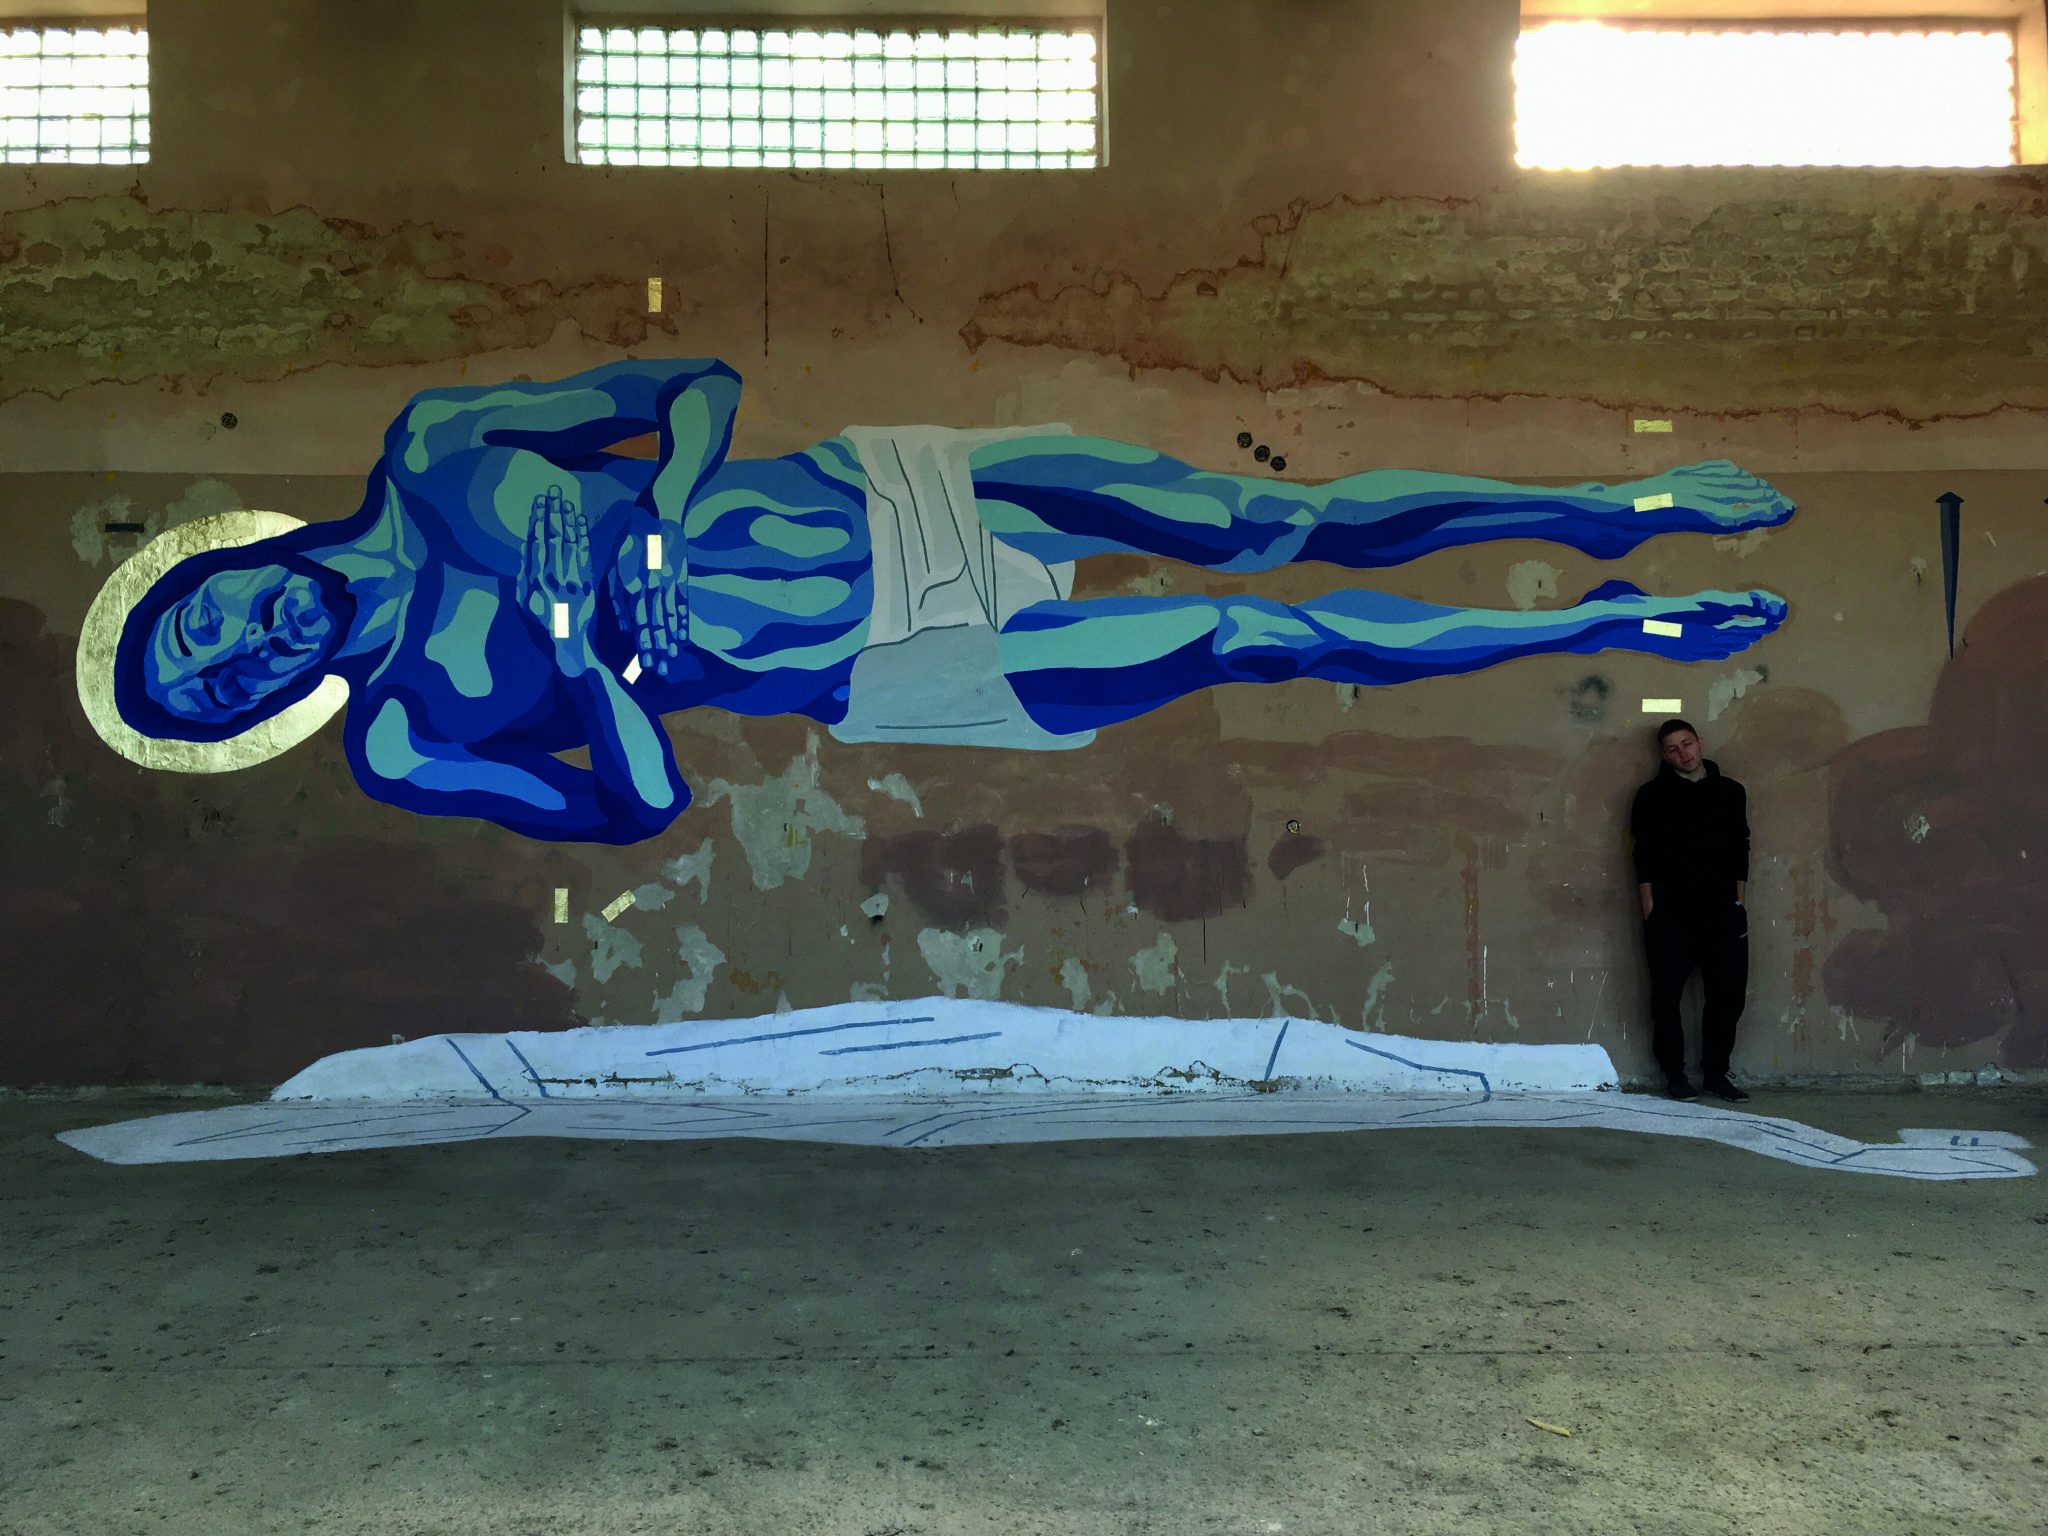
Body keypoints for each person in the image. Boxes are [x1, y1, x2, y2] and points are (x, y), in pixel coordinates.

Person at [106, 357, 1795, 844]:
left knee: (1263, 522)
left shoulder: (438, 449)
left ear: (217, 571)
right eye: (224, 691)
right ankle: (1606, 624)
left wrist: (663, 516)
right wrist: (575, 649)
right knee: (1254, 635)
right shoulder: (404, 739)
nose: (245, 652)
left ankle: (1618, 508)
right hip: (894, 662)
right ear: (260, 715)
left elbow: (693, 385)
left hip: (896, 489)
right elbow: (635, 804)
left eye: (205, 629)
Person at [1631, 719, 1752, 1102]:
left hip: (1722, 911)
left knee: (1728, 995)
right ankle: (1675, 1075)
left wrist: (1738, 901)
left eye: (1687, 744)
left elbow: (1741, 847)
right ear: (1664, 755)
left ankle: (1716, 1073)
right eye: (1673, 749)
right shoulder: (1651, 795)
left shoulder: (1731, 791)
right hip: (1671, 913)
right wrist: (1649, 907)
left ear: (1700, 743)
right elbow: (1643, 852)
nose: (1682, 753)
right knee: (1666, 998)